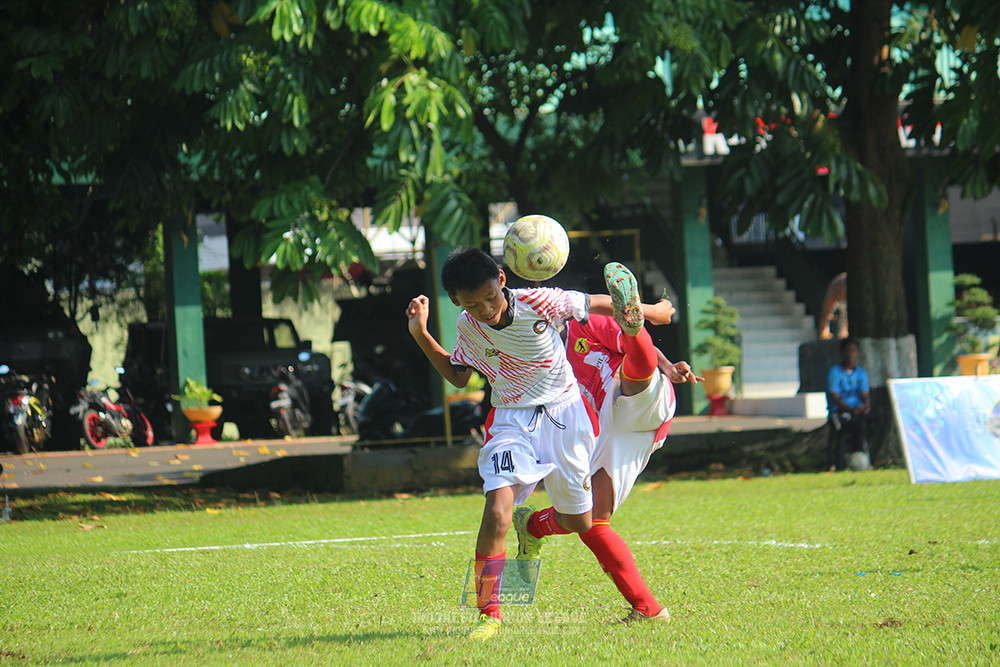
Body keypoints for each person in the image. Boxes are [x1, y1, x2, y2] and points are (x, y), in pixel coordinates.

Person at [405, 249, 640, 640]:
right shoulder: (468, 326)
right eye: (473, 304)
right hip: (511, 419)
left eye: (490, 297)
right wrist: (421, 334)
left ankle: (531, 526)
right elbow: (460, 377)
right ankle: (489, 614)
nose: (486, 309)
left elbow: (597, 302)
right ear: (456, 302)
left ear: (501, 278)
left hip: (567, 414)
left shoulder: (541, 302)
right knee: (496, 511)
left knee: (581, 521)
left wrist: (652, 311)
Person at [515, 262, 703, 625]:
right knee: (590, 520)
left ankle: (649, 610)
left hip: (632, 397)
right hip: (597, 425)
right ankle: (533, 527)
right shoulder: (531, 360)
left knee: (635, 378)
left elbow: (631, 346)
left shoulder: (584, 323)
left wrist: (663, 365)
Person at [826, 336, 871, 470]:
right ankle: (847, 461)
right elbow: (834, 396)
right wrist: (850, 409)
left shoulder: (861, 373)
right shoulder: (835, 372)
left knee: (872, 415)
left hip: (857, 411)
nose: (850, 354)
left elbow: (864, 394)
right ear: (842, 353)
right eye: (847, 350)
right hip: (841, 412)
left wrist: (866, 405)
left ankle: (861, 457)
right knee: (854, 424)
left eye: (853, 350)